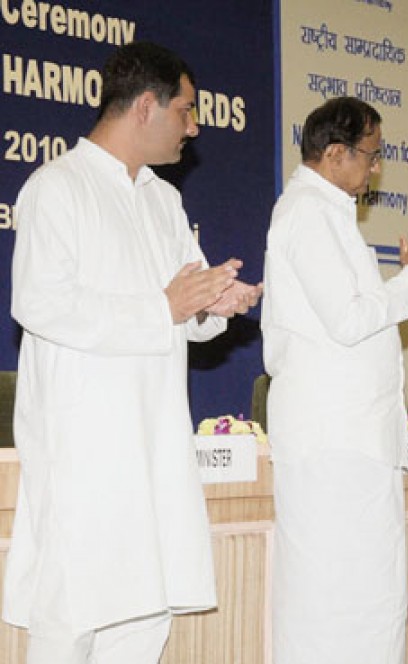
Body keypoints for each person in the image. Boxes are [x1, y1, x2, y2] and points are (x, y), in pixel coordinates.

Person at [2, 41, 263, 664]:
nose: (193, 128)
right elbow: (40, 303)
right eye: (186, 110)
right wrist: (163, 308)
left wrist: (214, 306)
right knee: (73, 617)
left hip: (154, 444)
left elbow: (183, 312)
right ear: (146, 106)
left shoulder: (162, 199)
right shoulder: (57, 187)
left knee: (145, 620)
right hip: (84, 452)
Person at [262, 96, 408, 664]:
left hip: (353, 441)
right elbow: (350, 321)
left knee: (371, 598)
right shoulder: (306, 215)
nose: (377, 168)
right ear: (335, 154)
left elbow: (362, 317)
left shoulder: (329, 214)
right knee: (329, 603)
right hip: (331, 442)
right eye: (371, 154)